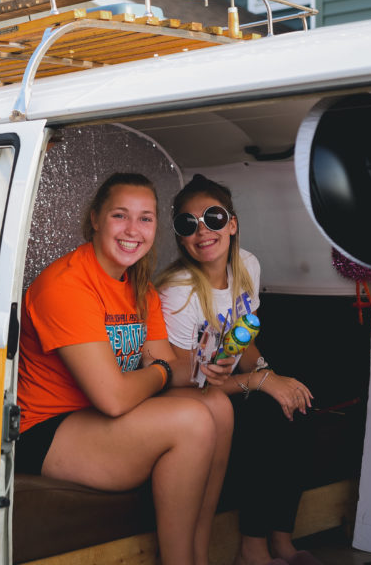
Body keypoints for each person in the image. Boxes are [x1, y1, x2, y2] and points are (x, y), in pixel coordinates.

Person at [16, 172, 233, 565]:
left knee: (217, 404)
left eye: (146, 218)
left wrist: (205, 368)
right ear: (96, 219)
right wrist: (163, 372)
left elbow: (170, 361)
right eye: (121, 215)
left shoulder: (138, 286)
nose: (133, 229)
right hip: (45, 430)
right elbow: (115, 397)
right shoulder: (66, 285)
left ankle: (199, 556)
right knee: (191, 420)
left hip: (98, 415)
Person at [156, 174, 319, 565]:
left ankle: (282, 540)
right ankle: (252, 549)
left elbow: (242, 337)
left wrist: (273, 377)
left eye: (213, 218)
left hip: (229, 380)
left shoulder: (247, 266)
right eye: (187, 224)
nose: (202, 231)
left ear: (232, 223)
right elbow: (183, 381)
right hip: (191, 394)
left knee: (298, 404)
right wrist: (262, 383)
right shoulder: (178, 291)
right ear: (179, 237)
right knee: (263, 415)